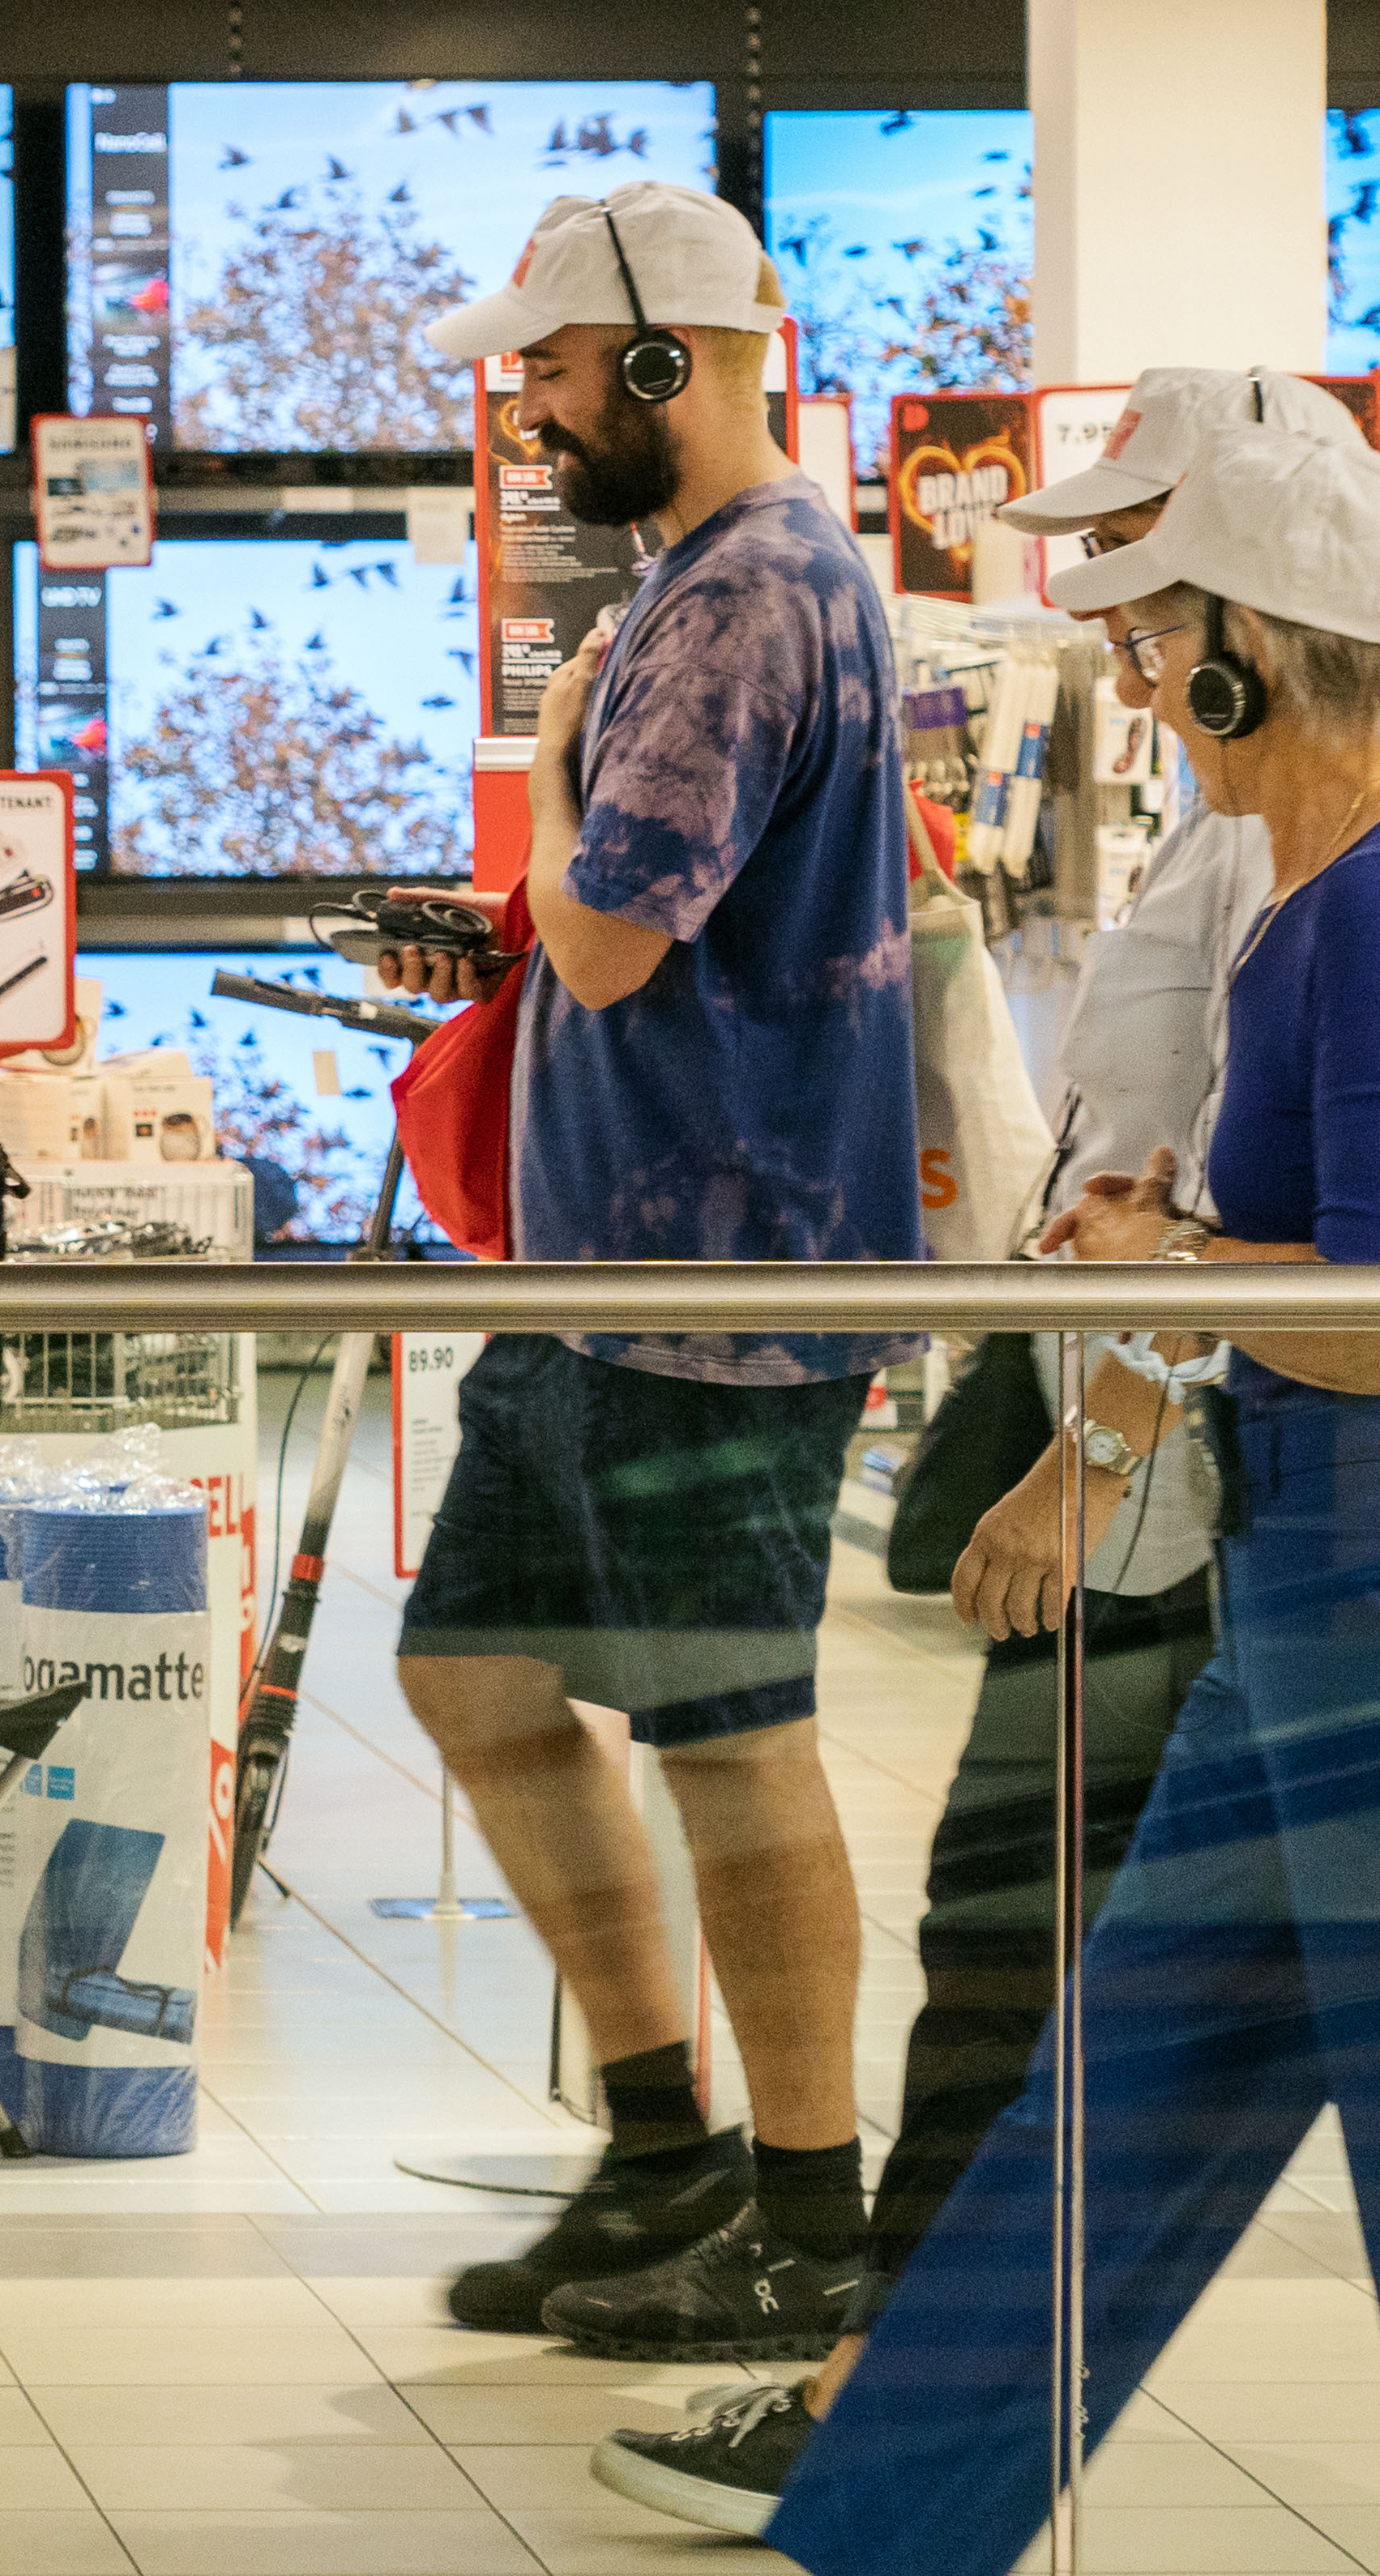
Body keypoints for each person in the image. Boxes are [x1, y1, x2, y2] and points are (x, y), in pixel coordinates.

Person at [590, 369, 1380, 2549]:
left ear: (1238, 640)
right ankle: (874, 2526)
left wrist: (1173, 1250)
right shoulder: (1322, 878)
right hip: (1329, 1604)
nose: (1128, 681)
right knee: (1097, 2142)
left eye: (1142, 635)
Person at [381, 183, 916, 2361]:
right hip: (614, 1264)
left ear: (664, 363)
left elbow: (610, 926)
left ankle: (801, 2216)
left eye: (546, 369)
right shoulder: (709, 578)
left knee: (726, 1730)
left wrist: (530, 801)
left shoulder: (733, 598)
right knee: (474, 1671)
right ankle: (657, 2147)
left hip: (722, 1280)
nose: (518, 408)